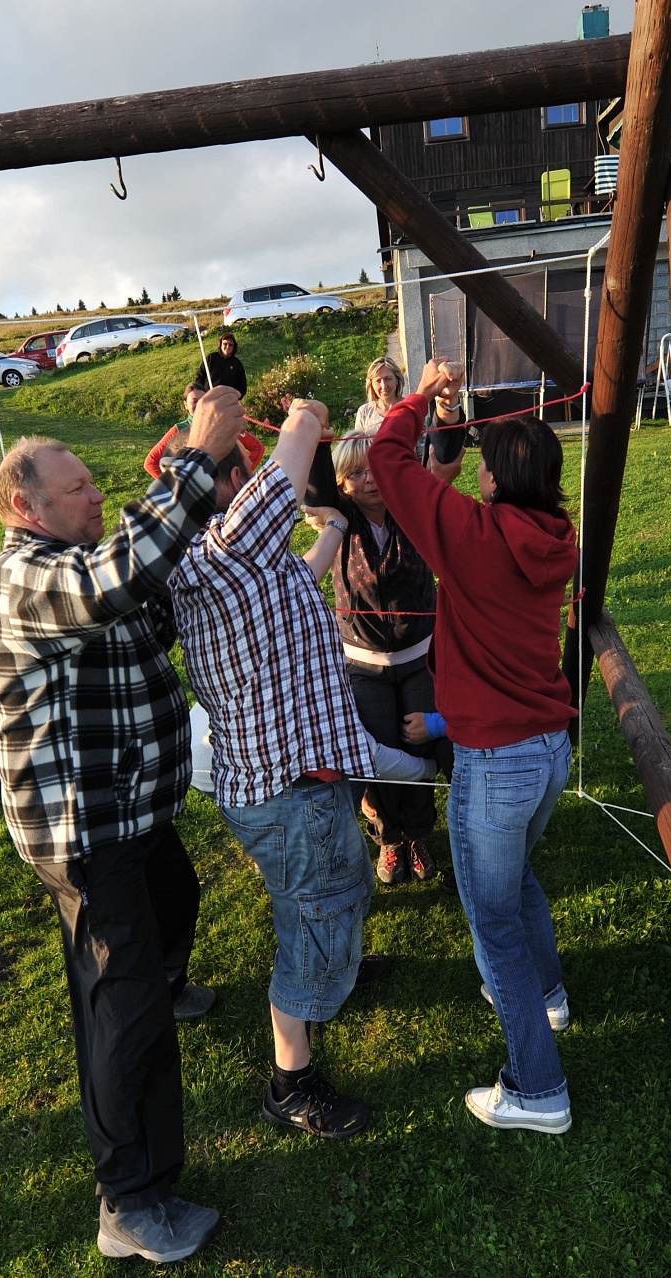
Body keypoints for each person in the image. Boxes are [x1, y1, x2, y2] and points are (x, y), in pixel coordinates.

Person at [0, 391, 246, 1265]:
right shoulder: (25, 577)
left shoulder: (81, 561)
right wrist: (194, 462)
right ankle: (131, 1202)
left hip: (133, 814)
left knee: (176, 899)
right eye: (79, 487)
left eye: (95, 484)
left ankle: (157, 983)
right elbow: (116, 584)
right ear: (27, 507)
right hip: (87, 831)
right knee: (123, 1016)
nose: (98, 495)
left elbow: (144, 601)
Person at [166, 396, 434, 1142]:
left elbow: (301, 572)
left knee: (338, 896)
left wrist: (337, 525)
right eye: (244, 476)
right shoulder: (224, 552)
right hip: (290, 795)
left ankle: (339, 972)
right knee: (313, 923)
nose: (256, 484)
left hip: (303, 783)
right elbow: (291, 464)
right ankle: (291, 1084)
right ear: (231, 488)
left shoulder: (235, 564)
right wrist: (305, 415)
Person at [369, 359, 581, 1136]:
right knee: (517, 882)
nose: (478, 474)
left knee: (493, 925)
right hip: (548, 749)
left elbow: (386, 460)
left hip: (496, 763)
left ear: (495, 481)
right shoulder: (556, 534)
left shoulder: (472, 535)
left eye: (485, 465)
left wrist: (422, 396)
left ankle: (537, 1089)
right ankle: (549, 997)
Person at [303, 431, 445, 888]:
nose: (369, 480)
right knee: (375, 753)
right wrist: (318, 438)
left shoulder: (410, 507)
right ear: (342, 484)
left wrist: (445, 411)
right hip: (363, 663)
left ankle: (417, 835)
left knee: (418, 748)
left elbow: (443, 466)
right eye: (356, 473)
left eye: (375, 469)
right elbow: (314, 494)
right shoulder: (338, 520)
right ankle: (388, 838)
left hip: (419, 656)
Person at [357, 356, 468, 484]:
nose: (384, 385)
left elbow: (422, 448)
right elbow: (359, 453)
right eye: (378, 381)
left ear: (397, 380)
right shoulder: (364, 412)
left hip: (407, 476)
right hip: (374, 479)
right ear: (371, 384)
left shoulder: (412, 407)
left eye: (388, 379)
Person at [188, 330, 247, 397]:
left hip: (226, 400)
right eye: (225, 344)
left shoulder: (237, 364)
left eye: (230, 345)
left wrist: (234, 397)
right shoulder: (211, 358)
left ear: (234, 347)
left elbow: (242, 387)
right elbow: (200, 377)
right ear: (220, 344)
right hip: (208, 397)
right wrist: (201, 394)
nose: (227, 347)